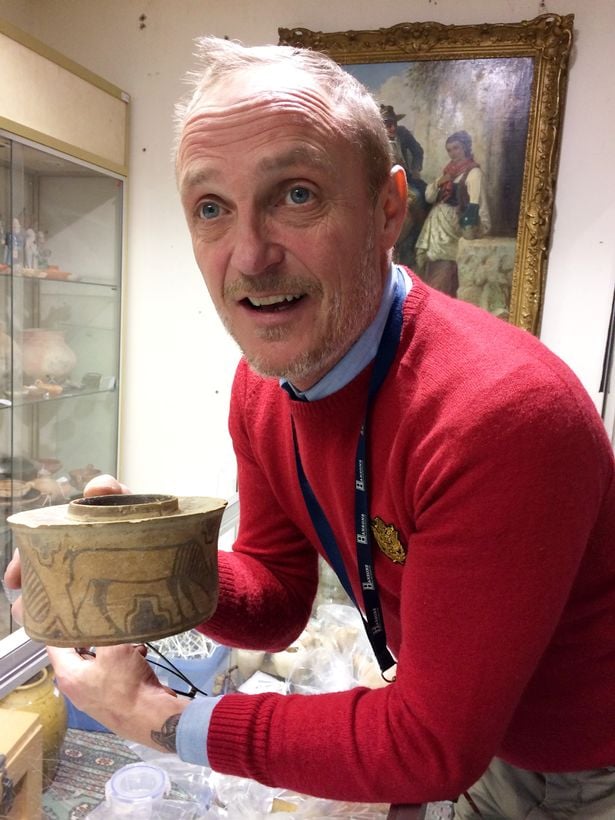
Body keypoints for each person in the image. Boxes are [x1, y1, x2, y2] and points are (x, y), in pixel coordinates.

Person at [4, 36, 615, 819]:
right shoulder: (263, 388)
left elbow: (429, 746)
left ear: (387, 209)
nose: (249, 255)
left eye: (296, 195)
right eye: (211, 208)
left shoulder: (498, 414)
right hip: (487, 736)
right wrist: (143, 564)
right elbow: (277, 596)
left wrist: (159, 718)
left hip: (591, 758)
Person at [415, 130, 490, 298]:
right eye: (449, 150)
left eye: (456, 148)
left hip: (455, 226)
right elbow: (429, 197)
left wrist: (477, 227)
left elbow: (477, 204)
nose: (453, 153)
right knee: (432, 264)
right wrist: (439, 182)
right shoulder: (449, 171)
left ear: (465, 148)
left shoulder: (473, 172)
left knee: (445, 266)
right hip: (437, 225)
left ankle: (437, 299)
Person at [380, 104, 428, 269]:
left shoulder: (403, 133)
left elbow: (418, 151)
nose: (392, 128)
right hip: (384, 180)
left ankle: (418, 238)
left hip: (406, 176)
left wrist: (416, 168)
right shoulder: (376, 138)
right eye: (388, 124)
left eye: (394, 123)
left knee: (423, 196)